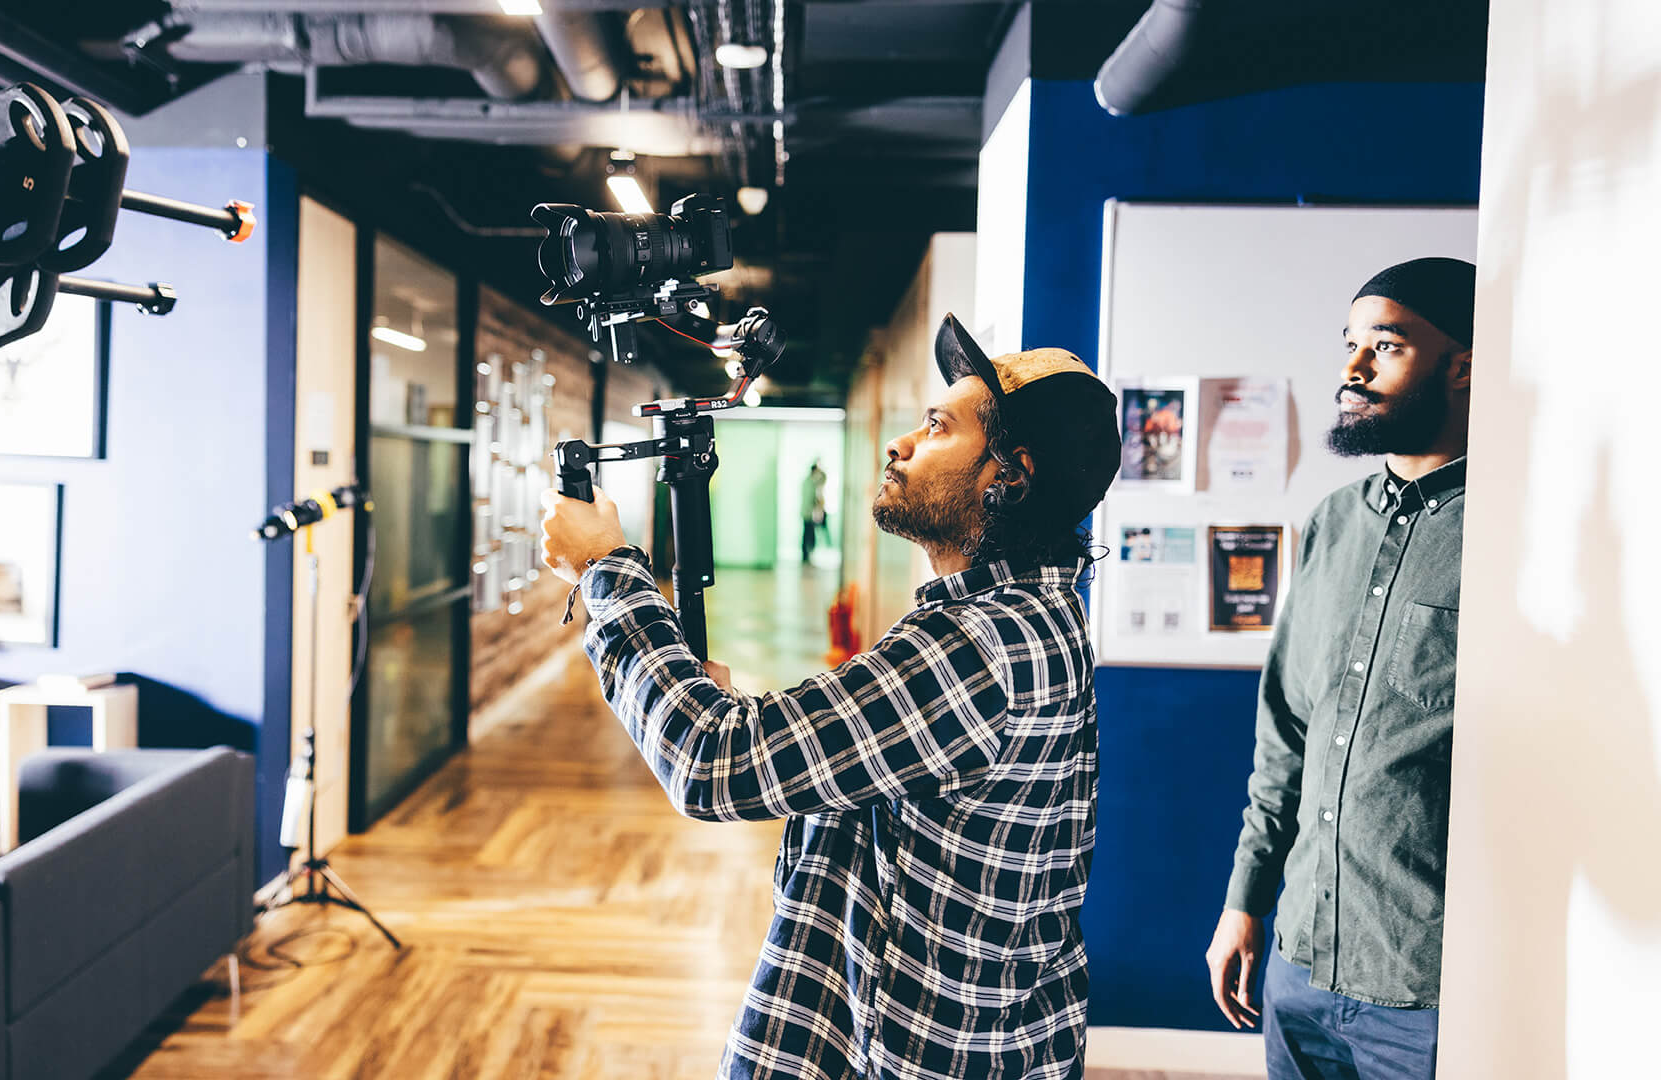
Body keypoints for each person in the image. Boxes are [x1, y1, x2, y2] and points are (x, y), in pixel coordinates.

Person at [541, 314, 1120, 1079]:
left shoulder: (978, 645)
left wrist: (606, 569)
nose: (901, 443)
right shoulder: (1025, 614)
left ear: (1007, 476)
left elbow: (714, 766)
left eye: (937, 428)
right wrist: (729, 705)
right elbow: (882, 756)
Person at [1205, 257, 1475, 1079]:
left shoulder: (1510, 531)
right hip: (1298, 962)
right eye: (1350, 344)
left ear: (1461, 365)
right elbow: (1286, 732)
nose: (1351, 370)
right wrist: (1244, 900)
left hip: (1427, 990)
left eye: (1385, 346)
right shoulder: (1331, 522)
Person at [801, 459, 829, 563]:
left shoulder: (809, 481)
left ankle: (807, 555)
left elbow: (823, 479)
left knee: (808, 534)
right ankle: (806, 556)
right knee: (808, 535)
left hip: (808, 513)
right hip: (808, 513)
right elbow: (812, 498)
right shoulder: (810, 483)